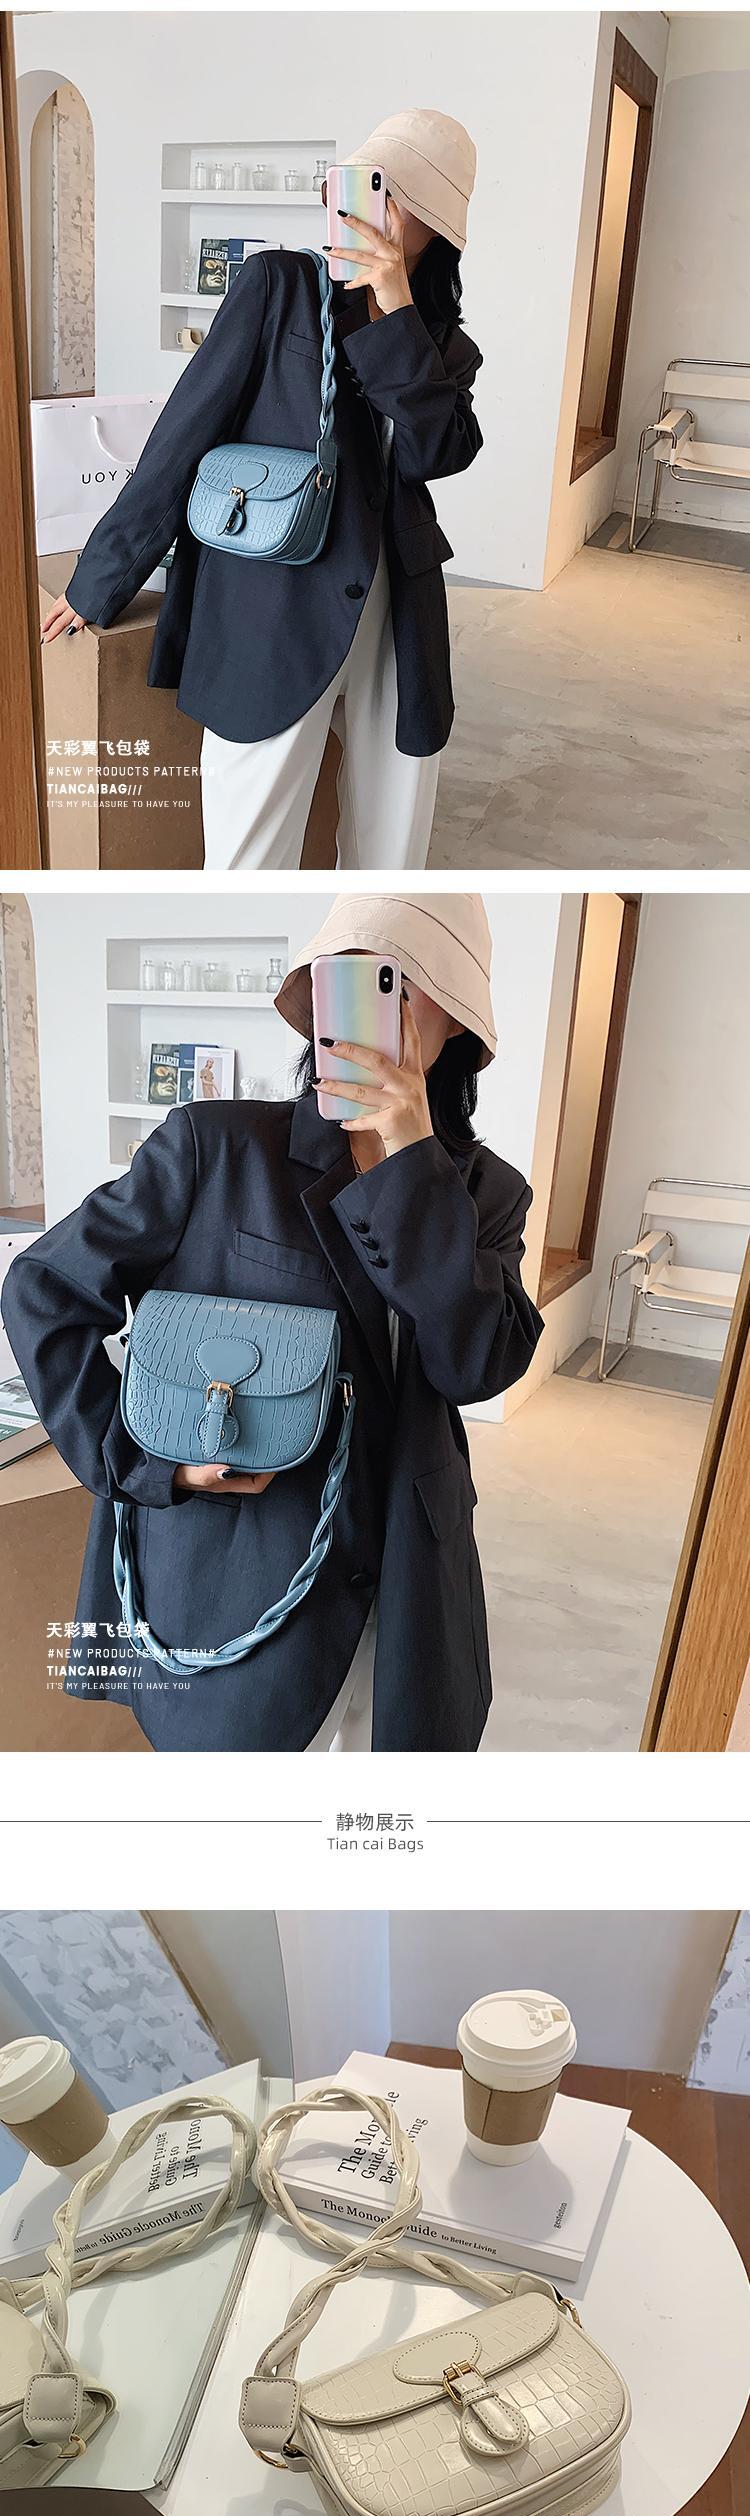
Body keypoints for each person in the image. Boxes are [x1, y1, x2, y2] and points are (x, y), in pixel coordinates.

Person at [1, 895, 544, 1754]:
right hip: (241, 1579)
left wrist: (412, 1165)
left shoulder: (488, 1194)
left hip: (409, 1586)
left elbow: (475, 1366)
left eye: (404, 983)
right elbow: (45, 1289)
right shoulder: (216, 1148)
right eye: (351, 980)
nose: (380, 1005)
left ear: (457, 1023)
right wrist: (144, 1460)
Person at [40, 112, 483, 872]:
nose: (368, 208)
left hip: (397, 607)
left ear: (434, 226)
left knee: (392, 854)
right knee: (247, 857)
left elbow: (436, 453)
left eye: (394, 195)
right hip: (277, 600)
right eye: (361, 185)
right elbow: (183, 434)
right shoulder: (279, 285)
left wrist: (396, 310)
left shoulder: (441, 339)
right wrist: (100, 579)